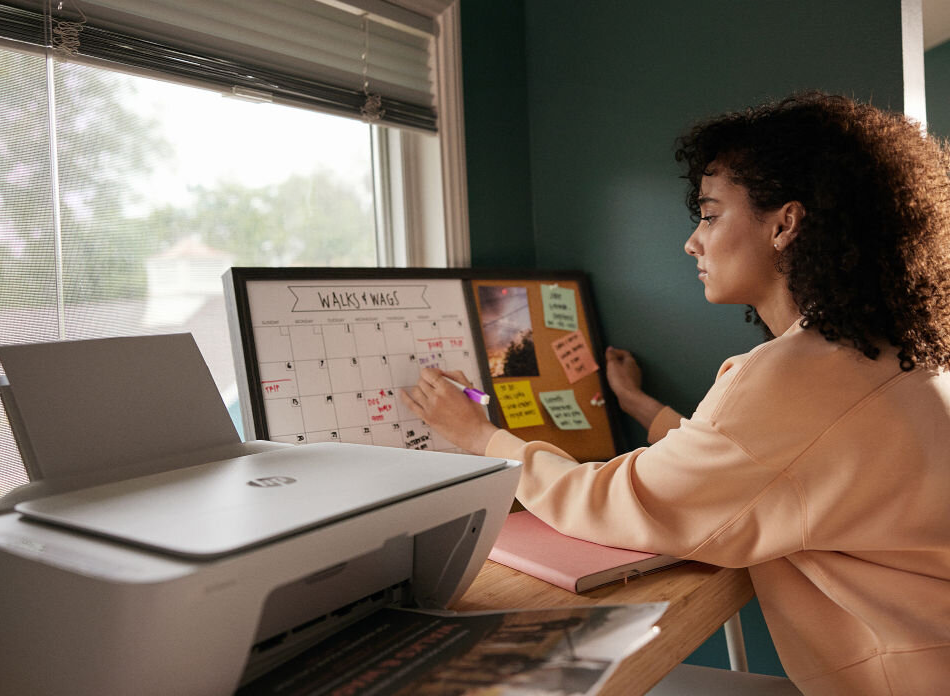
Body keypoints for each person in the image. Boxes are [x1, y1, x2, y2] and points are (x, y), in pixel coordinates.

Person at [400, 92, 950, 695]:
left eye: (710, 216)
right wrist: (639, 405)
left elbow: (616, 503)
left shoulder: (795, 373)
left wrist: (480, 437)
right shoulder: (885, 350)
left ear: (785, 224)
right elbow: (760, 463)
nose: (693, 241)